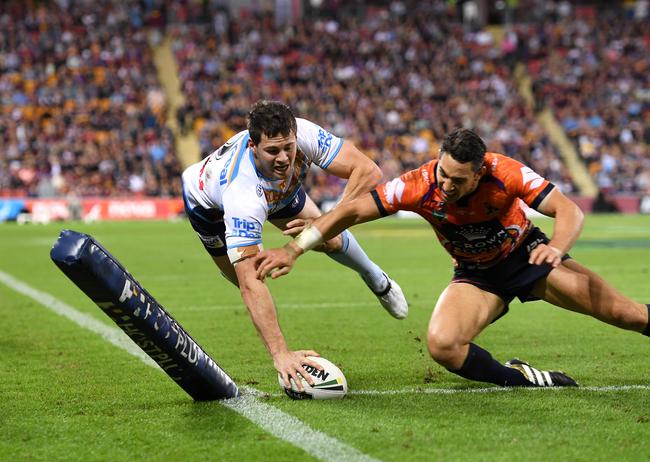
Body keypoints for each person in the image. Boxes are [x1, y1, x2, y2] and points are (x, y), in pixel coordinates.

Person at [255, 128, 650, 388]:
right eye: (443, 172)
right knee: (443, 345)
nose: (445, 184)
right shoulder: (419, 184)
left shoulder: (506, 173)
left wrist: (557, 249)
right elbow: (352, 211)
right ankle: (523, 380)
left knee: (627, 315)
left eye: (458, 180)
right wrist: (294, 248)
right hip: (476, 276)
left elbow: (569, 210)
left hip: (529, 259)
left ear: (479, 174)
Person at [181, 100, 408, 391]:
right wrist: (281, 355)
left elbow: (369, 172)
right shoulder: (242, 194)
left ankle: (377, 278)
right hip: (207, 206)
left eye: (287, 147)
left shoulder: (304, 134)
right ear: (253, 146)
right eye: (272, 150)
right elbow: (251, 283)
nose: (284, 158)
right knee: (246, 277)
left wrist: (324, 222)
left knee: (330, 236)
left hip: (279, 190)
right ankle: (271, 334)